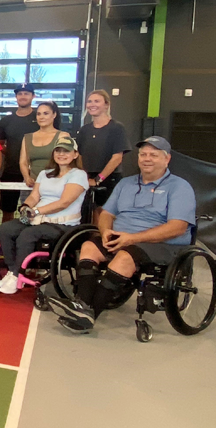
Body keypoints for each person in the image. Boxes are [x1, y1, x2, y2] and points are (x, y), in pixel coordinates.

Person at [48, 136, 196, 333]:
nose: (147, 158)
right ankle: (81, 306)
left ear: (166, 159)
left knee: (125, 257)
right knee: (89, 246)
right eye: (143, 154)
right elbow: (107, 213)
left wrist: (133, 238)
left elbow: (177, 227)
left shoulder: (180, 186)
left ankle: (89, 313)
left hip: (163, 244)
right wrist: (106, 231)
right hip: (124, 238)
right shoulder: (126, 184)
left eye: (153, 155)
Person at [0, 137, 88, 294]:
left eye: (66, 151)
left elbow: (64, 203)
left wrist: (37, 211)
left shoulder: (78, 175)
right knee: (5, 229)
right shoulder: (44, 174)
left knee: (28, 234)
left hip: (64, 225)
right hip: (38, 219)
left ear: (75, 154)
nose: (61, 154)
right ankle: (13, 272)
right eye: (58, 151)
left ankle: (17, 274)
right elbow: (34, 196)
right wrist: (26, 207)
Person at [76, 89, 131, 222]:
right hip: (87, 179)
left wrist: (98, 179)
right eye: (89, 101)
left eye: (96, 101)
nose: (92, 104)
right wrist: (84, 176)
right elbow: (79, 155)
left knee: (103, 216)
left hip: (109, 179)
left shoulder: (117, 128)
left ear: (106, 105)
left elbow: (117, 157)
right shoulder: (85, 130)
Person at [0, 83, 39, 222]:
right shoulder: (6, 121)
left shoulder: (40, 118)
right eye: (20, 94)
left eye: (26, 93)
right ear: (16, 97)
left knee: (31, 212)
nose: (23, 96)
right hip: (11, 172)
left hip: (35, 174)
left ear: (33, 96)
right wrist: (13, 154)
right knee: (7, 212)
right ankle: (5, 243)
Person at [19, 102, 70, 191]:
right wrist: (27, 178)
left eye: (46, 113)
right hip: (32, 186)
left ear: (54, 115)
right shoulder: (27, 137)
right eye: (39, 114)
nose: (41, 117)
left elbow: (67, 162)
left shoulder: (63, 136)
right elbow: (23, 162)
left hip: (55, 186)